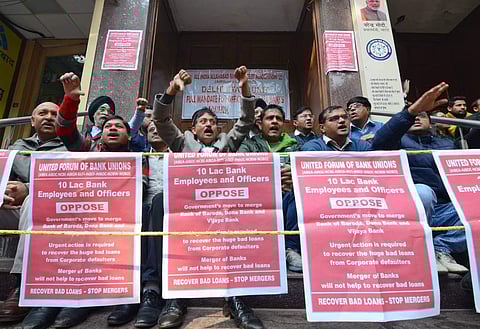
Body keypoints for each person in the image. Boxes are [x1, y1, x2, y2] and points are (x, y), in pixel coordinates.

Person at [152, 67, 263, 329]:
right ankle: (176, 299)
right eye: (203, 121)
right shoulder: (181, 144)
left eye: (213, 122)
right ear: (193, 128)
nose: (209, 125)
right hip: (187, 213)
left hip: (223, 211)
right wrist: (172, 90)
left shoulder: (228, 143)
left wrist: (244, 87)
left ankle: (237, 299)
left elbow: (246, 121)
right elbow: (161, 120)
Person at [0, 102, 66, 324]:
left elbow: (64, 183)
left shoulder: (69, 148)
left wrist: (28, 188)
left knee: (32, 200)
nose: (48, 117)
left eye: (54, 114)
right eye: (42, 113)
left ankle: (21, 285)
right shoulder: (14, 147)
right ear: (32, 120)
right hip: (13, 210)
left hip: (52, 213)